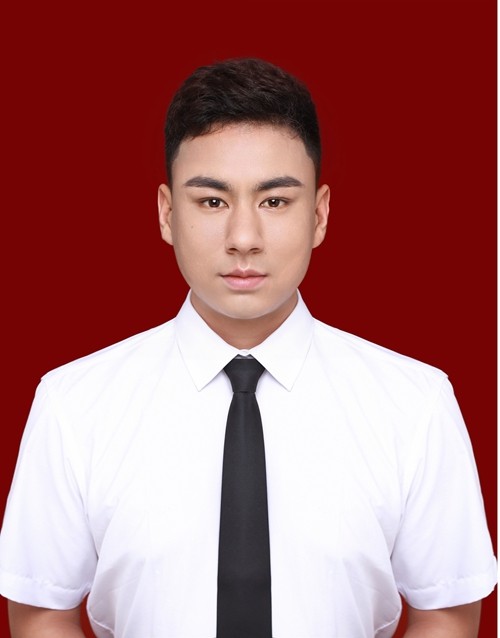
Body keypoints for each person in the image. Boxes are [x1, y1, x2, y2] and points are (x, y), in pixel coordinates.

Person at [0, 57, 496, 638]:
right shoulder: (74, 404)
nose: (243, 239)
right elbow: (43, 610)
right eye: (212, 202)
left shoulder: (414, 403)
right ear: (167, 213)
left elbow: (445, 609)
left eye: (274, 201)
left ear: (319, 214)